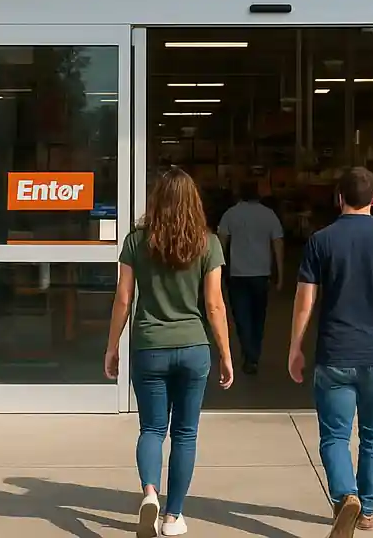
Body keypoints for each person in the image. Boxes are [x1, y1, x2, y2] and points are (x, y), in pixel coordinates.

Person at [288, 167, 373, 537]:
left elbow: (305, 301)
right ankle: (366, 509)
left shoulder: (321, 241)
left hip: (336, 353)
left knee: (334, 436)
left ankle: (344, 496)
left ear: (339, 198)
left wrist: (295, 347)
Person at [105, 167, 234, 538]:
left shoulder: (136, 241)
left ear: (156, 201)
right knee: (185, 434)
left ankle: (149, 493)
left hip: (149, 347)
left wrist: (113, 345)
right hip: (194, 348)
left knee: (151, 428)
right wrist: (225, 353)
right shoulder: (208, 243)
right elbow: (214, 305)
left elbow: (124, 298)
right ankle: (173, 516)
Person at [217, 182, 285, 374]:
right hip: (261, 274)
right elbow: (278, 244)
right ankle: (253, 354)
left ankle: (249, 353)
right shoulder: (269, 215)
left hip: (237, 274)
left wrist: (218, 270)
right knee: (258, 317)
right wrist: (280, 274)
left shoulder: (230, 214)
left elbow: (221, 242)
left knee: (241, 317)